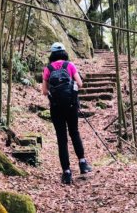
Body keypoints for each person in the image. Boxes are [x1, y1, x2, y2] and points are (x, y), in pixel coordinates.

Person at [42, 42, 92, 184]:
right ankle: (83, 164)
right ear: (64, 52)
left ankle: (67, 173)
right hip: (71, 105)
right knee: (74, 132)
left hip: (56, 108)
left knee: (61, 139)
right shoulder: (69, 65)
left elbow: (44, 91)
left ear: (52, 54)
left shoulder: (48, 69)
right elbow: (80, 83)